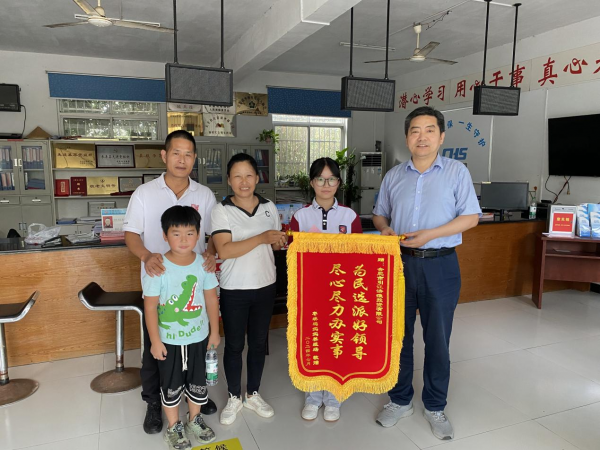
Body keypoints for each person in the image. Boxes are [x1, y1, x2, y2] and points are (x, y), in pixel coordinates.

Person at [372, 106, 481, 440]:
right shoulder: (393, 176)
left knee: (437, 339)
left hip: (441, 264)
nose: (422, 137)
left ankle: (435, 405)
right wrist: (385, 228)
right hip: (399, 264)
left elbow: (471, 217)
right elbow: (379, 214)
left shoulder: (456, 172)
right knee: (397, 337)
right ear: (407, 137)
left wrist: (431, 234)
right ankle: (400, 400)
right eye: (415, 131)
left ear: (441, 136)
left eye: (429, 130)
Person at [123, 130, 218, 434]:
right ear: (164, 155)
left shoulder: (204, 194)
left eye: (188, 154)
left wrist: (211, 253)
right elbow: (131, 234)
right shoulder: (144, 193)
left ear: (194, 158)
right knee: (157, 349)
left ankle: (195, 397)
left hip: (195, 281)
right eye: (176, 152)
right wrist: (146, 256)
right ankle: (154, 402)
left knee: (195, 347)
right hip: (159, 282)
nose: (182, 159)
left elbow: (213, 234)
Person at [210, 153, 287, 425]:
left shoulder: (269, 207)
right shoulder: (221, 210)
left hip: (265, 286)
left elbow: (274, 245)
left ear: (257, 177)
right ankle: (234, 396)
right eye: (238, 176)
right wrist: (262, 237)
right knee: (234, 345)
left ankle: (253, 393)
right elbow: (224, 250)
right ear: (229, 180)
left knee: (257, 344)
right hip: (235, 289)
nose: (244, 182)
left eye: (249, 176)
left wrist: (277, 241)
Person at [290, 157, 362, 422]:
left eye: (331, 179)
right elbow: (292, 258)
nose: (326, 184)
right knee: (312, 342)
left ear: (339, 183)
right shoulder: (300, 217)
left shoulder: (349, 216)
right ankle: (312, 397)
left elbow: (359, 255)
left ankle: (333, 398)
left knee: (336, 343)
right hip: (309, 292)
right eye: (320, 179)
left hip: (340, 293)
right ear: (312, 183)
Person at [142, 205, 220, 450]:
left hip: (199, 338)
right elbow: (150, 307)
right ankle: (173, 426)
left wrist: (215, 331)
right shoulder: (157, 267)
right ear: (165, 236)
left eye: (190, 233)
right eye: (176, 234)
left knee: (197, 381)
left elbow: (211, 299)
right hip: (169, 341)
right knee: (171, 384)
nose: (184, 240)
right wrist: (155, 341)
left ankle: (194, 419)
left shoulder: (204, 264)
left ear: (198, 235)